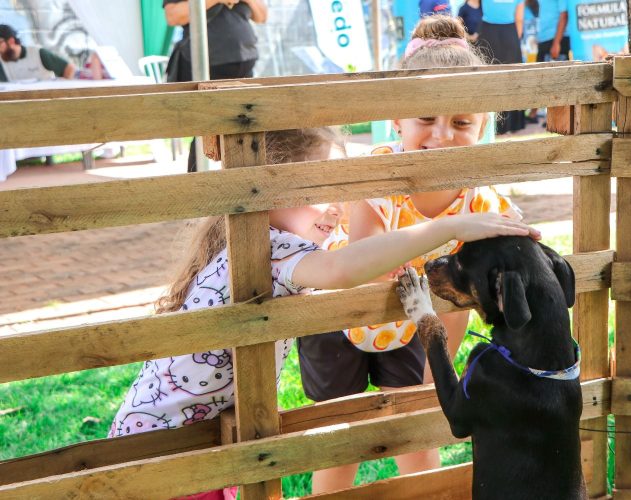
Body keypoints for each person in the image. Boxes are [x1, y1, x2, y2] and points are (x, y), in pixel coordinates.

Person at [108, 127, 537, 499]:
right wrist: (451, 227)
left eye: (340, 193)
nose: (338, 207)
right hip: (166, 448)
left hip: (182, 439)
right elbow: (340, 269)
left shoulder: (258, 243)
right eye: (319, 191)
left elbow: (350, 261)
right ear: (270, 185)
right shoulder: (268, 248)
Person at [301, 15, 533, 494]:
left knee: (417, 434)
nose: (442, 135)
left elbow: (458, 303)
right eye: (426, 119)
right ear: (396, 120)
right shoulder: (377, 178)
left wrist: (435, 374)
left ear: (483, 125)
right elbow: (364, 267)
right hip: (337, 319)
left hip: (409, 322)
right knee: (343, 441)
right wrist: (440, 242)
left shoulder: (479, 202)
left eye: (461, 122)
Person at [162, 0, 268, 173]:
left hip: (244, 61)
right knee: (206, 129)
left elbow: (263, 16)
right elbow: (173, 16)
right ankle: (198, 184)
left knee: (245, 126)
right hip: (207, 65)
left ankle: (244, 181)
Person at [477, 0, 526, 134]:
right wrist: (514, 39)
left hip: (488, 32)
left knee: (488, 79)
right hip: (510, 33)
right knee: (511, 79)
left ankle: (487, 123)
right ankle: (512, 124)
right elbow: (519, 18)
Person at [0, 24, 76, 82]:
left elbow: (69, 68)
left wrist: (63, 92)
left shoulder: (38, 53)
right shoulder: (1, 62)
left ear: (11, 41)